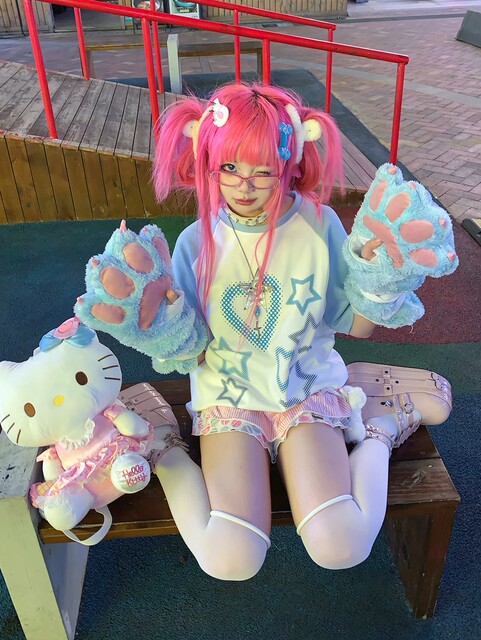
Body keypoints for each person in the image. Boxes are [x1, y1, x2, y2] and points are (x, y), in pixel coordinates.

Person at [78, 82, 456, 580]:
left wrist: (381, 279)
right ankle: (164, 446)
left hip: (305, 390)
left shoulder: (319, 225)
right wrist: (162, 331)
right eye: (229, 167)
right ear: (207, 160)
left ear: (291, 161)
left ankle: (380, 429)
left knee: (341, 544)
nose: (244, 184)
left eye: (263, 169)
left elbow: (358, 324)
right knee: (229, 558)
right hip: (228, 396)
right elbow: (192, 354)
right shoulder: (195, 241)